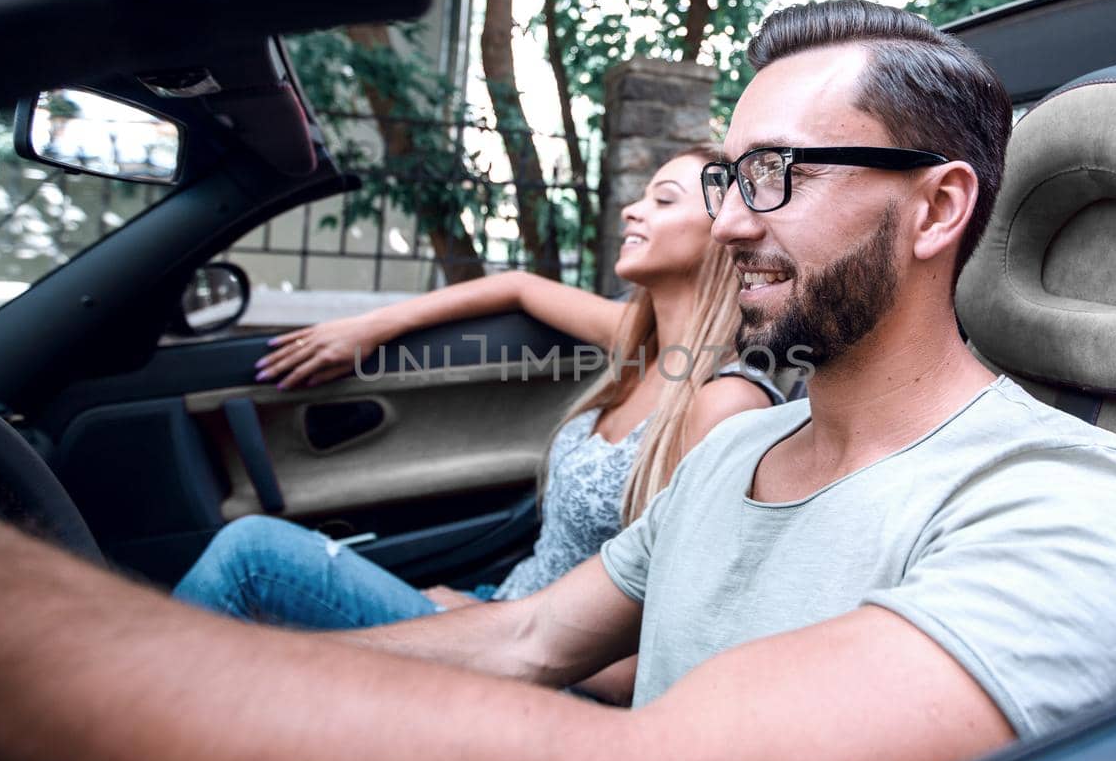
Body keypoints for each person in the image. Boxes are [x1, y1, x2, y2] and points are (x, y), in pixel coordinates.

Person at [0, 0, 1116, 761]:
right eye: (726, 177)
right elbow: (520, 641)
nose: (728, 215)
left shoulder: (1075, 509)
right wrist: (182, 690)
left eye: (772, 174)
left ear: (939, 207)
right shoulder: (730, 456)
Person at [173, 147, 783, 703]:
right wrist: (369, 329)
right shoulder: (641, 345)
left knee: (251, 556)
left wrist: (477, 626)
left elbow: (670, 658)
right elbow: (518, 288)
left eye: (663, 200)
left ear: (723, 232)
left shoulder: (723, 404)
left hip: (548, 674)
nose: (631, 210)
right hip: (500, 616)